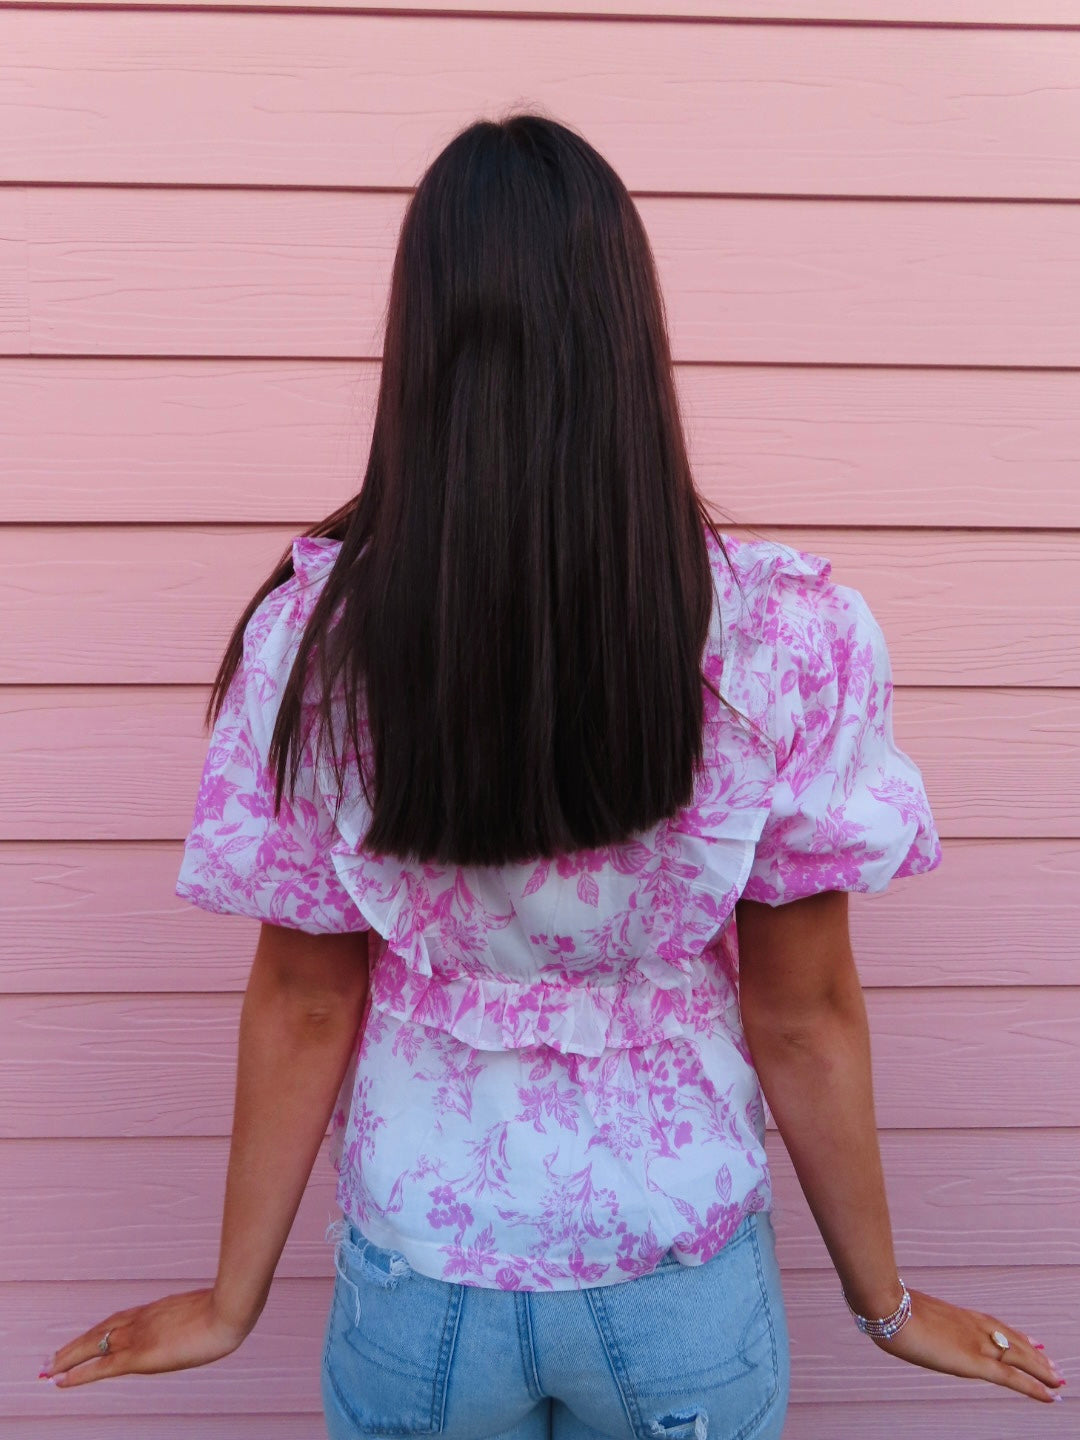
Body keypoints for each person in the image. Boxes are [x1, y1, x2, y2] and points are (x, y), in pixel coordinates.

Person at [40, 112, 1065, 1436]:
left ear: (418, 351)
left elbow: (305, 999)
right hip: (676, 1278)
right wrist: (886, 1303)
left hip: (420, 1284)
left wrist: (234, 1299)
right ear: (632, 339)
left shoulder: (316, 644)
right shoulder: (782, 638)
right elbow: (802, 1013)